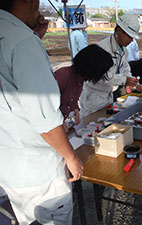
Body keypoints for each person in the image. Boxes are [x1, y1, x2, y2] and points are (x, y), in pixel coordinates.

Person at [0, 1, 83, 225]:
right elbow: (44, 119)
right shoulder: (24, 43)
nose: (39, 8)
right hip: (39, 171)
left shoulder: (12, 35)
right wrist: (71, 156)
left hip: (10, 167)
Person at [79, 14, 142, 117]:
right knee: (90, 126)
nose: (131, 40)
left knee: (104, 125)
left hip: (107, 96)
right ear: (119, 31)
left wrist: (135, 83)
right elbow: (104, 77)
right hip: (93, 98)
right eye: (129, 36)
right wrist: (125, 81)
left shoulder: (123, 50)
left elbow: (125, 69)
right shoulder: (102, 49)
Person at [54, 44, 113, 131]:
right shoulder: (64, 77)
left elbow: (70, 101)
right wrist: (58, 124)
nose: (103, 75)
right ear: (92, 69)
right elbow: (47, 106)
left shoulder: (80, 79)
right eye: (102, 71)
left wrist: (75, 110)